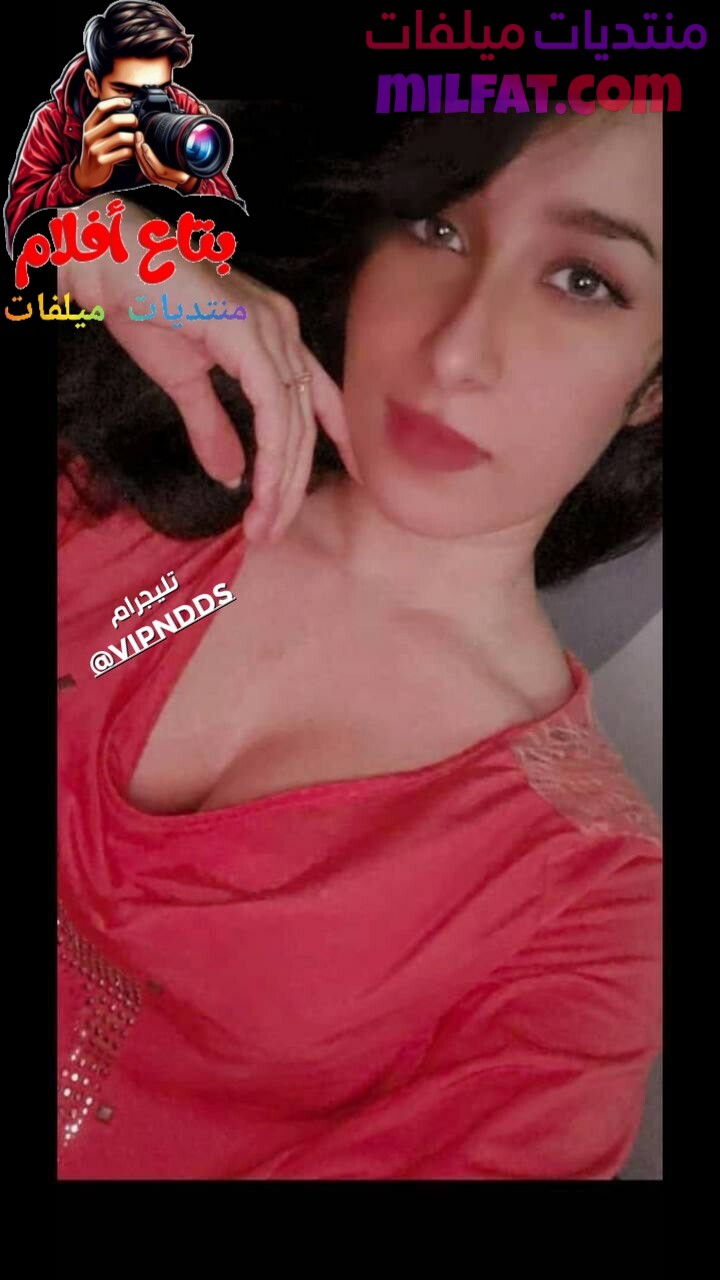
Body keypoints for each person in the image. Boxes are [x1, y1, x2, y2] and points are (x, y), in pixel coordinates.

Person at [57, 102, 662, 1180]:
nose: (458, 348)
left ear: (653, 386)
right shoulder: (130, 464)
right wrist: (76, 240)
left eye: (583, 280)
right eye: (438, 225)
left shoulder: (581, 908)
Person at [5, 1, 241, 256]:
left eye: (160, 89)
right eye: (126, 91)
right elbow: (19, 235)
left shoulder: (183, 110)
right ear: (93, 84)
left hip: (164, 258)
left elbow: (236, 229)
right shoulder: (55, 121)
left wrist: (191, 185)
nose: (151, 102)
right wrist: (78, 180)